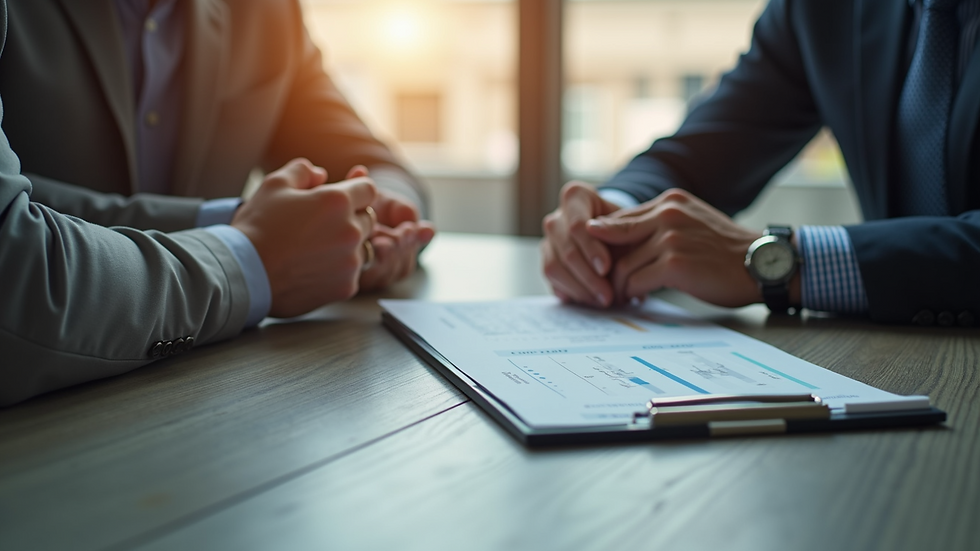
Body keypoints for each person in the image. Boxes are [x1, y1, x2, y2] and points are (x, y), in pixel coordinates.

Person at [542, 0, 980, 327]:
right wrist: (614, 217)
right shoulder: (822, 10)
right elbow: (710, 146)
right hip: (896, 363)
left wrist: (779, 263)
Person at [0, 0, 434, 308]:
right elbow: (12, 229)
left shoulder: (267, 11)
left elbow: (365, 157)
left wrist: (380, 216)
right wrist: (255, 235)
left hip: (205, 370)